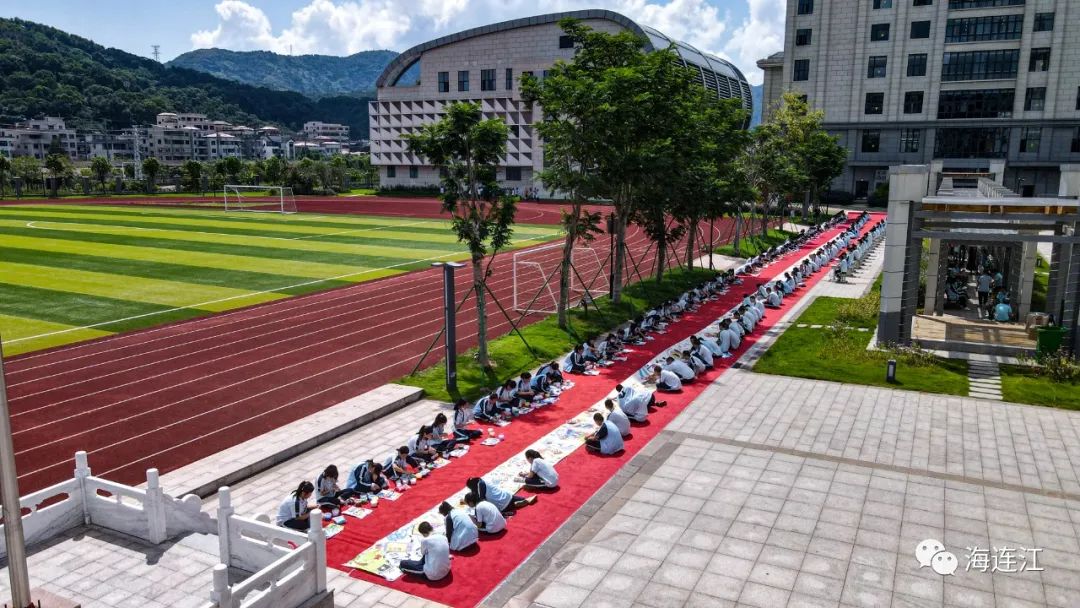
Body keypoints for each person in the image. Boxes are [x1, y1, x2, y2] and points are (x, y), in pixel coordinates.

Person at [465, 477, 536, 513]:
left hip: (502, 503)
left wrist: (467, 500)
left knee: (509, 506)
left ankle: (518, 504)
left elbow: (481, 501)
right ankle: (525, 500)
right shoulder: (482, 481)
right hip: (507, 495)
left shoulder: (480, 487)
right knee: (513, 498)